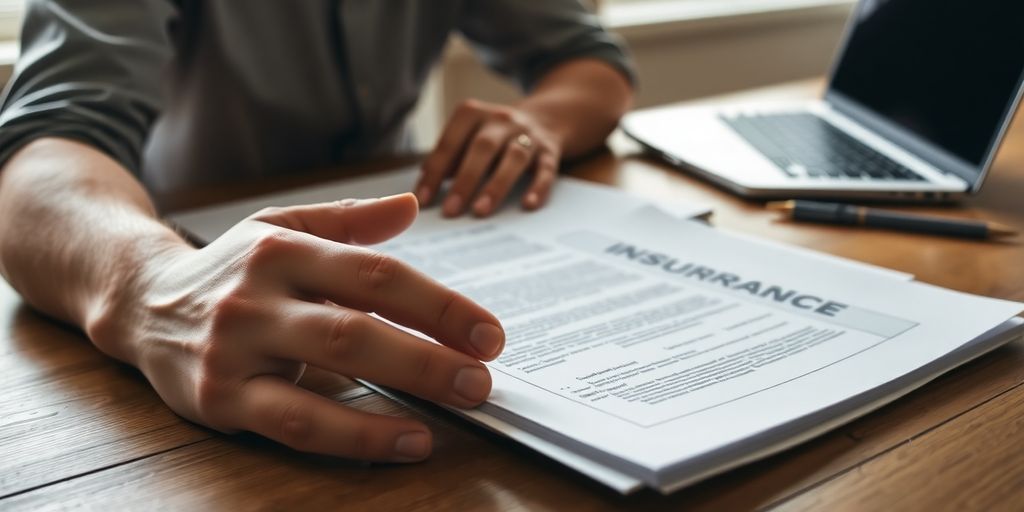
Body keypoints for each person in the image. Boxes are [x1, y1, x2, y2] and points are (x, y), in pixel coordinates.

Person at [0, 1, 634, 463]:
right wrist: (149, 281)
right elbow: (40, 159)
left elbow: (590, 60)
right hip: (196, 269)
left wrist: (540, 121)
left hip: (419, 232)